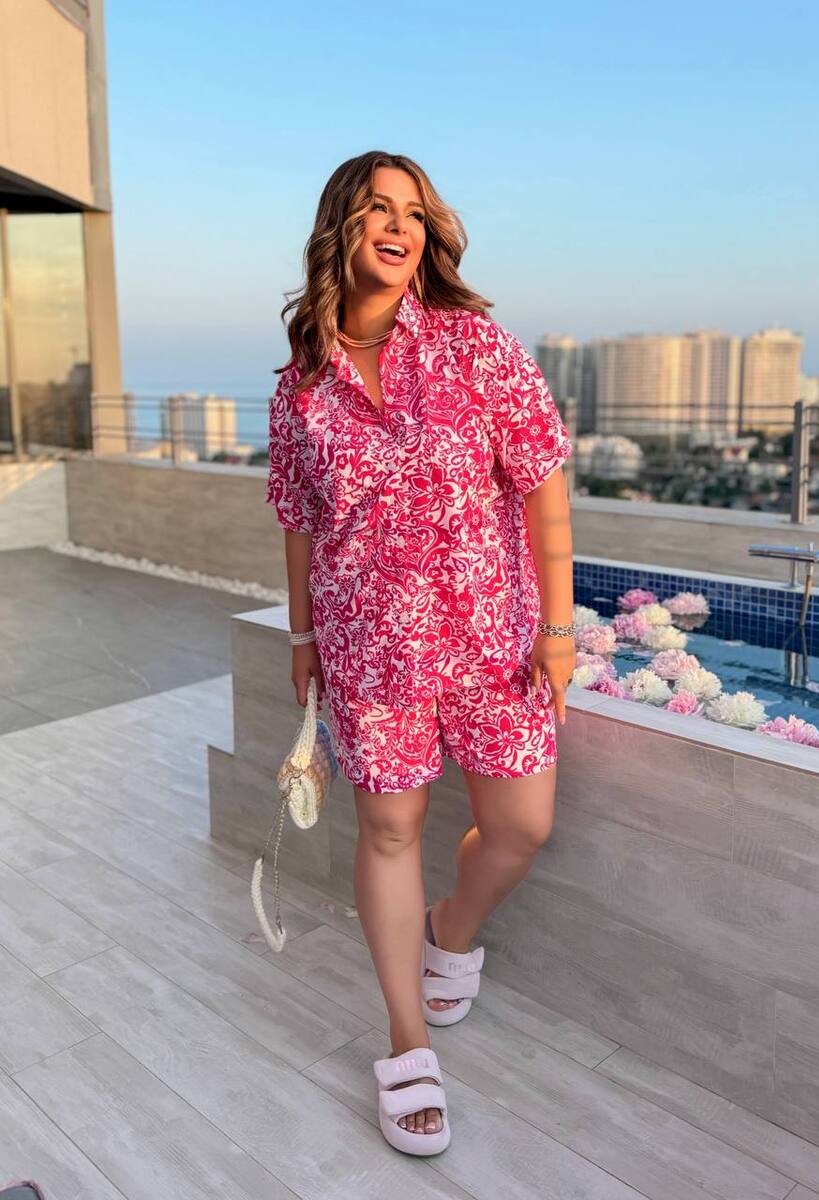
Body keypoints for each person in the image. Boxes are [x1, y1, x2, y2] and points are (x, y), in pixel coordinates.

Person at [266, 151, 575, 1156]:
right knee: (389, 829)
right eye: (376, 209)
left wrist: (559, 627)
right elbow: (301, 521)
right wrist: (303, 637)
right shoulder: (300, 389)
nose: (398, 226)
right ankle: (407, 1042)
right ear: (340, 228)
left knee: (521, 827)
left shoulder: (474, 346)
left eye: (412, 211)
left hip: (493, 641)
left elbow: (543, 483)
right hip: (368, 650)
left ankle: (451, 931)